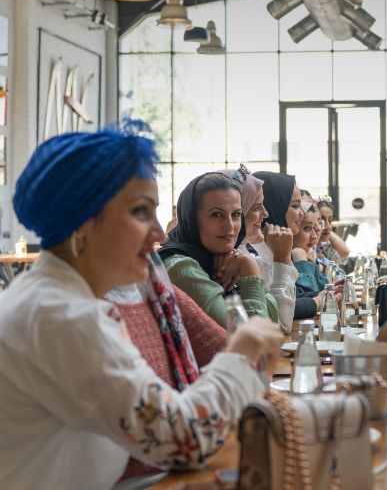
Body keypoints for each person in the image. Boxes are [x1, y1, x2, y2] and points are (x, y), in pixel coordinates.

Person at [0, 122, 283, 489]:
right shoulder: (63, 317)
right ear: (82, 223)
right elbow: (180, 438)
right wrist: (241, 355)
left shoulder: (59, 300)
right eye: (139, 212)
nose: (159, 234)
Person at [106, 253, 227, 480]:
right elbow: (176, 437)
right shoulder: (74, 313)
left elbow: (225, 346)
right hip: (141, 479)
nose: (161, 237)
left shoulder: (152, 283)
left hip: (170, 469)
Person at [159, 172, 279, 327]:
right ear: (192, 218)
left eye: (236, 214)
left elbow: (275, 320)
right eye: (216, 214)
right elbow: (257, 336)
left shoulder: (223, 259)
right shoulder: (181, 267)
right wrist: (250, 269)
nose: (229, 226)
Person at [219, 168, 296, 335]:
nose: (266, 213)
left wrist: (263, 244)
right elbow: (280, 326)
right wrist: (282, 258)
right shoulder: (230, 259)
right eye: (256, 207)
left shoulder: (241, 254)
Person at [252, 171, 321, 321]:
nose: (303, 213)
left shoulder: (271, 247)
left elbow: (292, 296)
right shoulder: (252, 253)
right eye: (295, 206)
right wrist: (317, 301)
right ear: (275, 206)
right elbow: (281, 318)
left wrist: (324, 295)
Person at [292, 200, 328, 296]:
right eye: (307, 228)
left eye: (314, 228)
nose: (314, 236)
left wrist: (315, 265)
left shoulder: (309, 256)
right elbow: (311, 297)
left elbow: (326, 293)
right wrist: (300, 258)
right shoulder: (279, 263)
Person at [317, 196, 350, 263]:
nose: (328, 226)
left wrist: (327, 231)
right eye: (321, 221)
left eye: (330, 220)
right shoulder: (308, 250)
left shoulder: (324, 246)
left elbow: (345, 252)